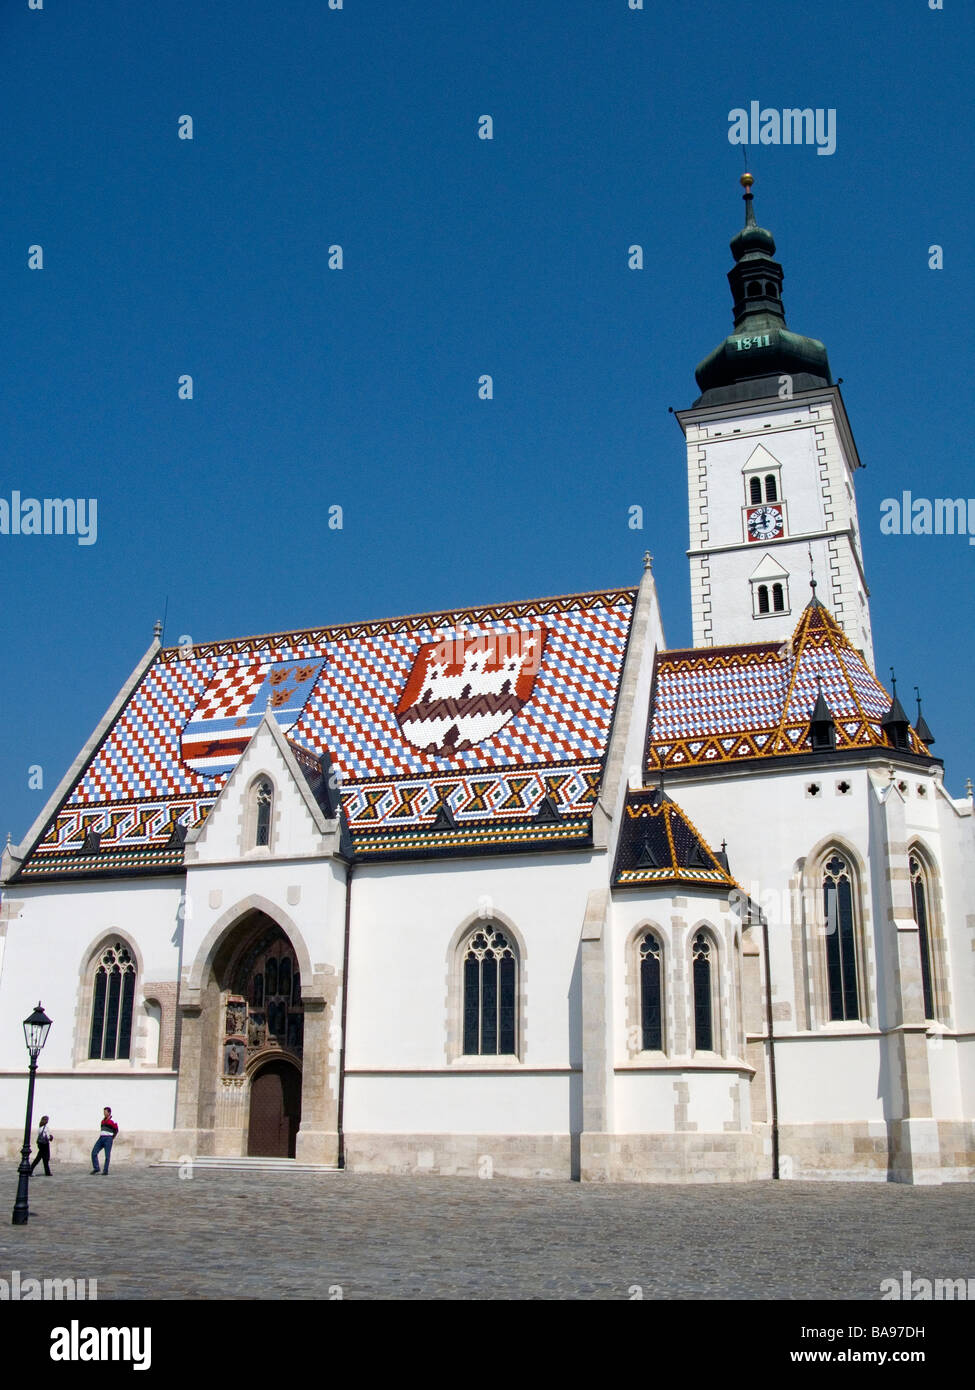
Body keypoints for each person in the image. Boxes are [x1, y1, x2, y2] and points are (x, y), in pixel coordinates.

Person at [90, 1107, 119, 1173]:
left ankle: (105, 1170)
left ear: (109, 1113)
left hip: (108, 1138)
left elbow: (116, 1130)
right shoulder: (102, 1121)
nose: (104, 1113)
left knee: (107, 1155)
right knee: (94, 1152)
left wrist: (112, 1137)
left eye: (105, 1112)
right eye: (104, 1112)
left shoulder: (113, 1121)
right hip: (101, 1138)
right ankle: (96, 1168)